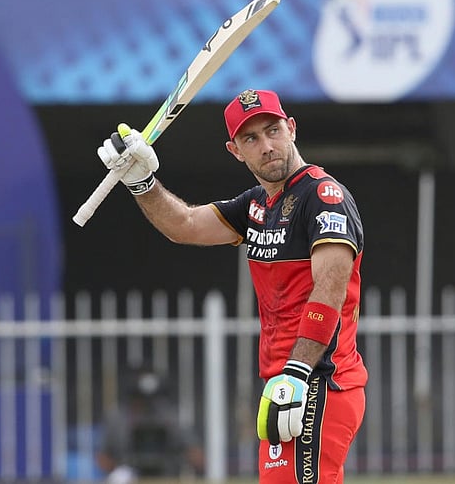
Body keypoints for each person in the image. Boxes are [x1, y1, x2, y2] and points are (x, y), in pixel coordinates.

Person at [96, 89, 368, 483]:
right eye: (251, 139)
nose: (267, 146)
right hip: (286, 383)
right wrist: (142, 181)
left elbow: (329, 289)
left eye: (273, 130)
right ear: (235, 150)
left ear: (291, 128)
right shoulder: (257, 205)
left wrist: (296, 371)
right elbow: (185, 225)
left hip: (319, 380)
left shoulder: (324, 197)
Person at [96, 367, 204, 483]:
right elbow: (102, 458)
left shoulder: (168, 416)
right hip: (129, 475)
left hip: (166, 475)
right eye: (139, 398)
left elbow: (196, 454)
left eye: (151, 399)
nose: (145, 403)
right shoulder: (117, 419)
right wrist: (119, 469)